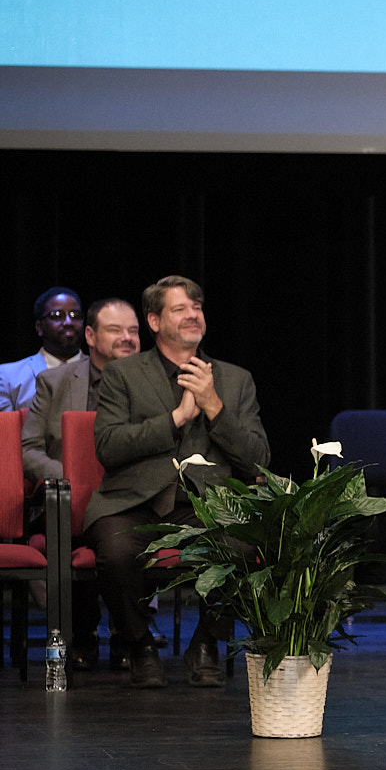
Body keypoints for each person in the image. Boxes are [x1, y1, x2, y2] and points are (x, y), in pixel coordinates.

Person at [85, 275, 270, 688]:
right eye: (180, 308)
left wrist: (215, 407)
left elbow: (258, 459)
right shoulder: (123, 374)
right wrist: (177, 418)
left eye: (197, 307)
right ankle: (139, 646)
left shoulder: (235, 379)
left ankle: (205, 643)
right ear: (154, 321)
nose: (193, 315)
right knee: (115, 552)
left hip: (206, 505)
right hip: (133, 503)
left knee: (243, 544)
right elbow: (108, 446)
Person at [21, 298, 141, 671]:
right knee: (73, 517)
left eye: (134, 331)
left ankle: (128, 634)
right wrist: (70, 473)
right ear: (90, 336)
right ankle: (82, 633)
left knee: (135, 526)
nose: (127, 338)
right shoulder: (54, 382)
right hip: (67, 498)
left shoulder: (152, 383)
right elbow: (29, 449)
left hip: (131, 498)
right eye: (115, 330)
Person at [0, 286, 85, 411]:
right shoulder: (8, 376)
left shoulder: (102, 372)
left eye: (75, 315)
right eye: (57, 315)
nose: (68, 322)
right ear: (39, 327)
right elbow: (6, 423)